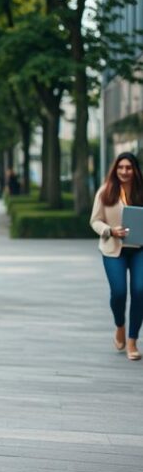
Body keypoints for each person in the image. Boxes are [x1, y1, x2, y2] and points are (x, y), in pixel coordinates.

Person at [90, 152, 143, 361]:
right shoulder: (106, 191)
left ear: (135, 170)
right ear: (115, 169)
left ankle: (132, 341)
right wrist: (110, 230)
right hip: (113, 249)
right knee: (119, 292)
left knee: (140, 291)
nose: (124, 171)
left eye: (129, 168)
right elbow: (95, 220)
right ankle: (120, 325)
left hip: (139, 249)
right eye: (121, 167)